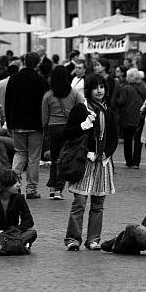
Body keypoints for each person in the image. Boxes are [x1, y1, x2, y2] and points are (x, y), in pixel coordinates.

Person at [64, 74, 119, 251]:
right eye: (95, 87)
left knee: (98, 204)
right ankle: (73, 239)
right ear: (89, 90)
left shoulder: (109, 111)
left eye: (102, 87)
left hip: (102, 162)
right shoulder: (81, 109)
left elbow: (114, 137)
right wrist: (84, 125)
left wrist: (105, 153)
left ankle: (93, 239)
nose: (99, 91)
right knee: (79, 202)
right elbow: (68, 132)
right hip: (84, 161)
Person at [4, 52, 49, 199]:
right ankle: (31, 189)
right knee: (34, 157)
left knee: (19, 153)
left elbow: (8, 103)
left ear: (23, 62)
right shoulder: (41, 81)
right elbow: (45, 105)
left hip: (17, 123)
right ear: (37, 64)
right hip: (36, 124)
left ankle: (12, 185)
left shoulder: (13, 79)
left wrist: (9, 123)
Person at [41, 65, 84, 200]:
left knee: (54, 159)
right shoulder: (74, 93)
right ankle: (58, 189)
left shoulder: (48, 95)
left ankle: (52, 188)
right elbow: (81, 110)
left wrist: (45, 129)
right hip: (69, 128)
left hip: (53, 129)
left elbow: (44, 117)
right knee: (65, 159)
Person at [116, 68, 146, 169]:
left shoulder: (125, 88)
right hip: (140, 117)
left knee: (128, 141)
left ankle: (129, 161)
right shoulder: (144, 87)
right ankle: (136, 162)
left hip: (127, 117)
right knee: (138, 141)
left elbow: (121, 102)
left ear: (129, 77)